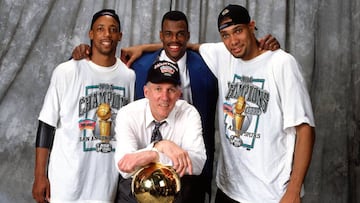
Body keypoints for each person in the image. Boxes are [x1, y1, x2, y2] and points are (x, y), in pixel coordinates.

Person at [72, 10, 279, 202]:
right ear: (147, 91)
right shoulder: (138, 66)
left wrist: (260, 47)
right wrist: (84, 53)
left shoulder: (208, 64)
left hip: (189, 172)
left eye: (180, 35)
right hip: (140, 176)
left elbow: (215, 50)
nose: (164, 97)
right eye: (168, 35)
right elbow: (104, 67)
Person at [123, 4, 316, 203]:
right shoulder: (223, 55)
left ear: (252, 26)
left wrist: (293, 188)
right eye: (225, 35)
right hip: (229, 189)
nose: (233, 41)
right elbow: (182, 46)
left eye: (238, 31)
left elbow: (305, 130)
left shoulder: (282, 63)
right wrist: (143, 48)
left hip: (271, 193)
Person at [32, 9, 135, 203]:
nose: (107, 34)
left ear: (120, 36)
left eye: (113, 30)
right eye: (100, 29)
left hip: (104, 183)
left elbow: (127, 129)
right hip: (66, 182)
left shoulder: (128, 76)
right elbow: (46, 125)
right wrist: (39, 176)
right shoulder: (66, 71)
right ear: (91, 33)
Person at [114, 60, 207, 203]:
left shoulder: (189, 113)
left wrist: (154, 155)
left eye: (171, 90)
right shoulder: (128, 114)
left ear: (179, 94)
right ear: (146, 92)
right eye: (158, 89)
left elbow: (198, 163)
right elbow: (125, 167)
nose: (165, 97)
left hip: (174, 192)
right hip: (132, 191)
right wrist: (161, 147)